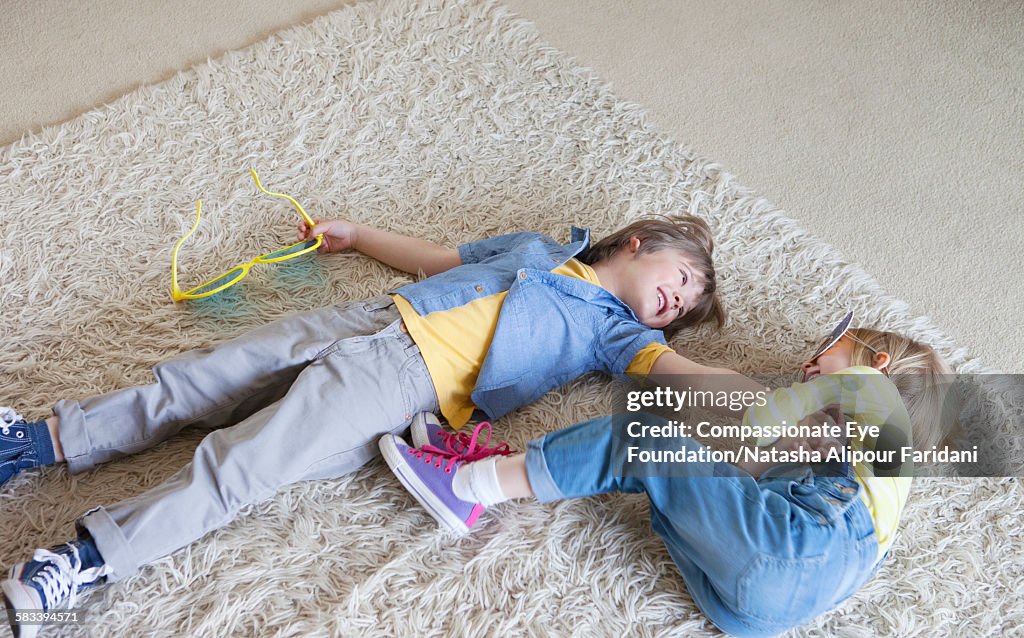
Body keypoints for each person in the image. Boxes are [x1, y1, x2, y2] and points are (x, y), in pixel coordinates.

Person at [1, 213, 764, 637]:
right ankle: (35, 441)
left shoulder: (620, 336)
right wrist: (360, 237)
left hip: (403, 383)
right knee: (201, 376)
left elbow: (685, 377)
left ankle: (90, 559)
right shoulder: (541, 247)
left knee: (246, 460)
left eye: (688, 309)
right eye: (685, 279)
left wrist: (759, 393)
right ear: (641, 243)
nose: (681, 300)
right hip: (370, 319)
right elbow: (438, 259)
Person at [380, 316, 958, 637]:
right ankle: (498, 465)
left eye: (827, 352)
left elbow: (764, 420)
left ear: (874, 362)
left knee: (642, 439)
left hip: (796, 548)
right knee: (667, 490)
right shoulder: (874, 471)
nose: (810, 364)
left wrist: (769, 411)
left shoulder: (872, 387)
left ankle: (469, 487)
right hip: (756, 615)